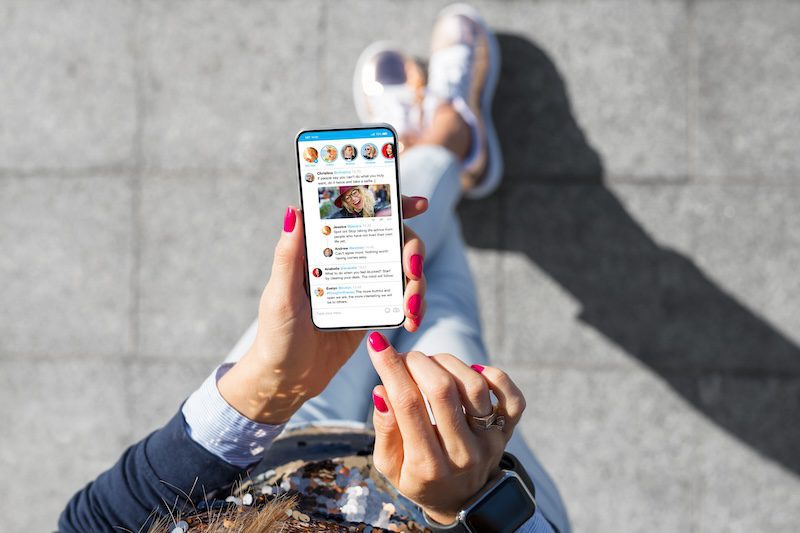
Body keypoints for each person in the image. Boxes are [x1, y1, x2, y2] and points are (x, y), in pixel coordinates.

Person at [60, 4, 570, 532]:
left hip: (277, 444)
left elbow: (90, 523)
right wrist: (463, 504)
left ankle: (436, 144)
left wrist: (271, 382)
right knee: (448, 328)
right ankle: (444, 139)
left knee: (408, 260)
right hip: (448, 483)